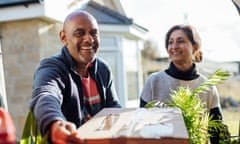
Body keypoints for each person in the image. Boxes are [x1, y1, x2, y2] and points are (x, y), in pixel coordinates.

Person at [29, 11, 121, 143]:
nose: (89, 39)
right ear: (64, 37)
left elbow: (113, 107)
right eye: (80, 33)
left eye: (94, 33)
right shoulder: (52, 68)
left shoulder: (103, 69)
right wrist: (55, 122)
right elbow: (45, 94)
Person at [140, 24, 223, 143]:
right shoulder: (154, 82)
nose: (174, 46)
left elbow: (217, 133)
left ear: (195, 47)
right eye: (170, 42)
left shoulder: (207, 86)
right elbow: (141, 128)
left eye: (180, 41)